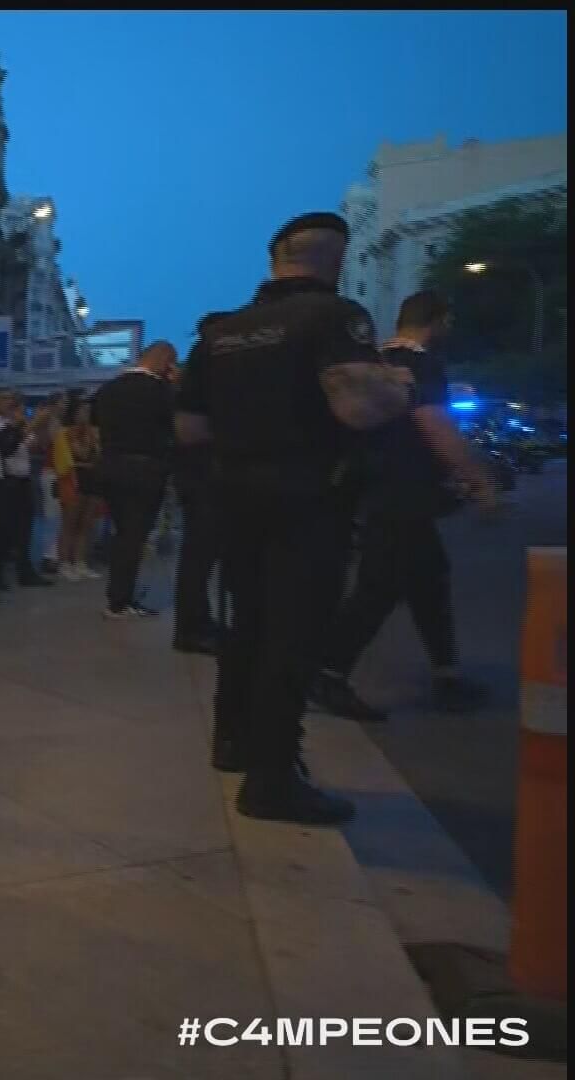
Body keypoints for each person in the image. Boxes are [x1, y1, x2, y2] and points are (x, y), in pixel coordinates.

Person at [176, 210, 414, 826]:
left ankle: (232, 742)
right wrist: (399, 388)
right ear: (334, 260)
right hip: (309, 497)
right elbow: (359, 408)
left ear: (276, 256)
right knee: (294, 632)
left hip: (235, 494)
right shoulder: (335, 317)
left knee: (246, 622)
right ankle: (273, 777)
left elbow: (190, 426)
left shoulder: (222, 333)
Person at [310, 289, 500, 721]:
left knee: (428, 578)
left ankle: (446, 673)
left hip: (372, 487)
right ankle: (328, 672)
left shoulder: (372, 362)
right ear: (440, 320)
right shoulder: (422, 363)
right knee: (378, 587)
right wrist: (479, 480)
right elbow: (434, 424)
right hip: (403, 493)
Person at [91, 340, 178, 618]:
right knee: (135, 534)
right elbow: (174, 428)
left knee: (123, 532)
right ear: (165, 361)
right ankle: (120, 600)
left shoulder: (107, 390)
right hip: (146, 468)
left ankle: (118, 594)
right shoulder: (161, 391)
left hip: (111, 466)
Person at [171, 317, 231, 655]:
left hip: (196, 475)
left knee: (199, 555)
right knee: (199, 555)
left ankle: (197, 622)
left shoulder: (198, 368)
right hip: (204, 475)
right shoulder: (205, 369)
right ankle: (192, 626)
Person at [0, 389, 58, 589]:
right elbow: (6, 447)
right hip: (5, 482)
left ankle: (25, 571)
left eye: (12, 399)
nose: (10, 403)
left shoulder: (15, 423)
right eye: (4, 398)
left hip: (23, 479)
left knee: (24, 529)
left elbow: (35, 446)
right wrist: (29, 424)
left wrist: (40, 426)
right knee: (3, 530)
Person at [54, 396, 104, 581]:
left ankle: (80, 561)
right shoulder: (64, 433)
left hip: (92, 480)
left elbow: (97, 455)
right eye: (82, 411)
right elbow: (76, 455)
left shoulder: (95, 433)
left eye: (88, 411)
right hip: (73, 480)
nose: (85, 415)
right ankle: (64, 562)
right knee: (70, 523)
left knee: (86, 523)